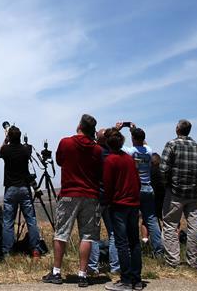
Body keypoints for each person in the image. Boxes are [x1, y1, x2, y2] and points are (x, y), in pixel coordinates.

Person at [43, 114, 103, 287]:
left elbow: (60, 161)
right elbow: (99, 170)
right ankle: (83, 274)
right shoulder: (97, 149)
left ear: (79, 126)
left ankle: (56, 272)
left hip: (69, 192)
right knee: (87, 235)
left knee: (61, 233)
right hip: (90, 194)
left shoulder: (66, 142)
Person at [159, 119, 197, 269]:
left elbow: (163, 169)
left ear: (177, 129)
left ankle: (172, 261)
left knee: (170, 225)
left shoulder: (172, 145)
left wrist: (166, 184)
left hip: (175, 192)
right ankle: (193, 261)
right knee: (194, 227)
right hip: (194, 193)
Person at [103, 128, 143, 291]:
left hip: (119, 204)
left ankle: (125, 280)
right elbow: (138, 181)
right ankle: (137, 279)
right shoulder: (128, 159)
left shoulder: (110, 160)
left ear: (108, 143)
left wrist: (107, 201)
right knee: (134, 242)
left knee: (121, 243)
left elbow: (107, 185)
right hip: (133, 204)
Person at [0, 125, 43, 257]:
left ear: (9, 137)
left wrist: (5, 140)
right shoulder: (25, 150)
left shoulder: (6, 149)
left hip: (10, 188)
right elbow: (28, 153)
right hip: (24, 188)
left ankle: (7, 251)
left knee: (8, 222)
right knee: (31, 219)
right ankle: (35, 249)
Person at [120, 124, 163, 259]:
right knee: (151, 219)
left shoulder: (130, 151)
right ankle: (159, 252)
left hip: (134, 188)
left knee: (130, 219)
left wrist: (119, 129)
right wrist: (134, 129)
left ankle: (132, 250)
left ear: (132, 138)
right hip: (148, 187)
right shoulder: (149, 151)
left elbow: (115, 143)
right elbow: (144, 143)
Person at [88, 128, 119, 276]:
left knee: (93, 233)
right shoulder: (112, 153)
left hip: (96, 197)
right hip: (109, 196)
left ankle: (93, 267)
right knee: (113, 232)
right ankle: (115, 265)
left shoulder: (95, 152)